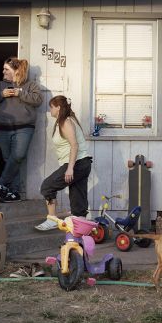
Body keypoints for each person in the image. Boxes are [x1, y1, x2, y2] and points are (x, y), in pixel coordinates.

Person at [0, 57, 43, 202]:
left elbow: (38, 100)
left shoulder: (30, 85)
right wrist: (1, 95)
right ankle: (13, 192)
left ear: (16, 71)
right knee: (9, 159)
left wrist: (19, 93)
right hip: (3, 128)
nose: (3, 71)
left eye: (6, 69)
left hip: (24, 127)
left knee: (18, 156)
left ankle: (2, 182)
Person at [35, 96, 92, 231]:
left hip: (76, 163)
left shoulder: (65, 122)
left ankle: (52, 219)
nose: (50, 110)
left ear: (58, 108)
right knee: (78, 198)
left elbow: (74, 145)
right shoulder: (67, 120)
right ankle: (80, 227)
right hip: (82, 163)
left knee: (47, 186)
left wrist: (70, 168)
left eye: (51, 107)